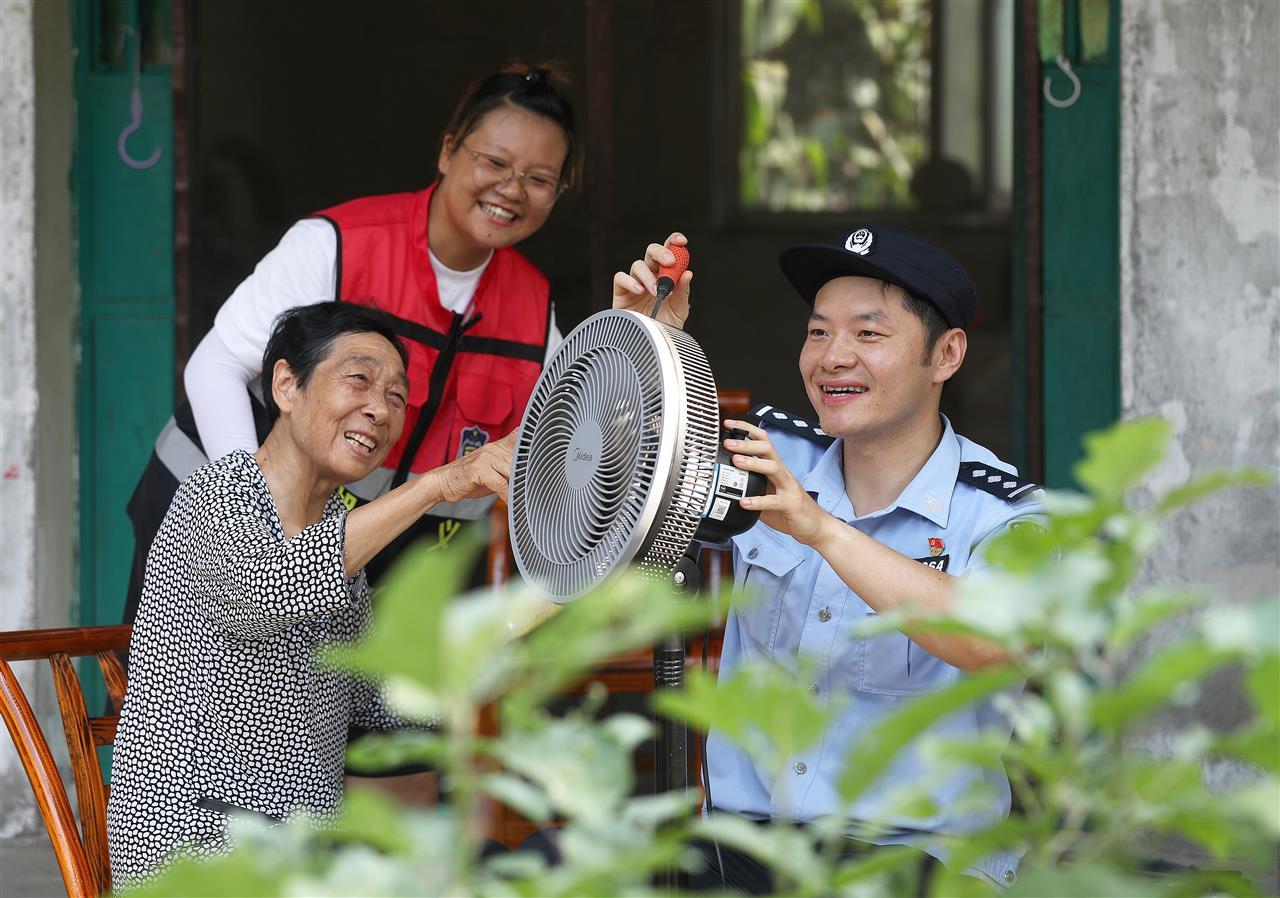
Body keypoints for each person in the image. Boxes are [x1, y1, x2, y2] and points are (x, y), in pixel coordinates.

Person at [614, 228, 1041, 892]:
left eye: (868, 335)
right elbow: (618, 492)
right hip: (744, 845)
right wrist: (644, 353)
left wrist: (823, 531)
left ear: (946, 355)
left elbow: (994, 638)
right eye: (818, 333)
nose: (834, 357)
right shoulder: (771, 449)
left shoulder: (1003, 510)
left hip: (912, 857)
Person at [124, 61, 577, 630]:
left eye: (539, 179)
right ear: (447, 152)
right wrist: (248, 512)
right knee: (187, 703)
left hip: (354, 551)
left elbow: (564, 443)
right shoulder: (337, 245)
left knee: (324, 713)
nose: (511, 189)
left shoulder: (537, 310)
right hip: (212, 516)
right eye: (494, 162)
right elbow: (215, 365)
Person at [106, 303, 516, 888]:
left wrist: (511, 622)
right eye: (359, 379)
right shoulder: (219, 494)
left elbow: (382, 703)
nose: (380, 408)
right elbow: (271, 590)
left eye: (398, 398)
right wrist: (436, 484)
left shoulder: (340, 532)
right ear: (286, 386)